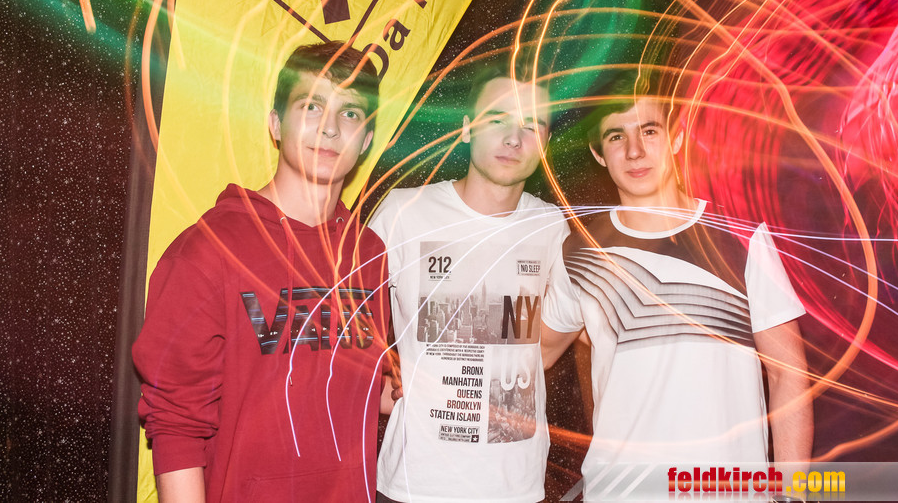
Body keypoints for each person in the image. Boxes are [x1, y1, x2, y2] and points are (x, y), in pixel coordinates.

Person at [133, 41, 389, 502]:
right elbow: (176, 425)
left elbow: (364, 388)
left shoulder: (371, 254)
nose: (330, 128)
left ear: (366, 139)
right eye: (311, 106)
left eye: (350, 113)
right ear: (275, 123)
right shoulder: (208, 252)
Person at [541, 73, 813, 500]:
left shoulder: (740, 236)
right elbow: (535, 353)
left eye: (649, 131)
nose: (635, 151)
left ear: (677, 137)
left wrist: (793, 494)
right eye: (616, 136)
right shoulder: (579, 251)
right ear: (598, 152)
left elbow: (787, 375)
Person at [368, 61, 569, 502]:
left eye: (531, 125)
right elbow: (346, 316)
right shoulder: (404, 213)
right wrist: (374, 382)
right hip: (414, 485)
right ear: (465, 129)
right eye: (497, 119)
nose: (513, 138)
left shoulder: (552, 227)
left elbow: (556, 340)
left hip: (514, 488)